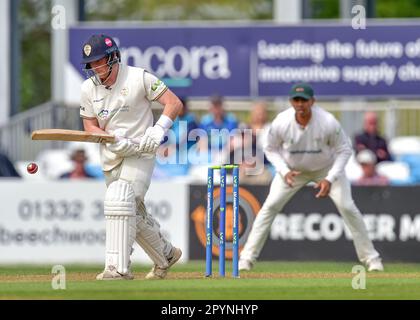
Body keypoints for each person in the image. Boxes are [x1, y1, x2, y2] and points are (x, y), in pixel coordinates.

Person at [238, 83, 384, 272]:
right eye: (296, 100)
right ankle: (246, 259)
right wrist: (283, 170)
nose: (300, 104)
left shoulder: (327, 121)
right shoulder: (282, 122)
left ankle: (372, 260)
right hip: (293, 171)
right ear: (291, 102)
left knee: (347, 207)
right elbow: (269, 148)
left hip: (326, 169)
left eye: (304, 100)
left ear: (312, 101)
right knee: (270, 207)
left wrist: (330, 179)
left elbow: (344, 150)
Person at [79, 34, 183, 280]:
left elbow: (174, 103)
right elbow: (90, 127)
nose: (96, 67)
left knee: (121, 201)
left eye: (99, 61)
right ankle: (166, 254)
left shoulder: (139, 77)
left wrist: (158, 130)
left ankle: (118, 268)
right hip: (111, 154)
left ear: (114, 57)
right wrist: (113, 140)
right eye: (91, 64)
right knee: (131, 212)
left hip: (141, 152)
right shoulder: (87, 89)